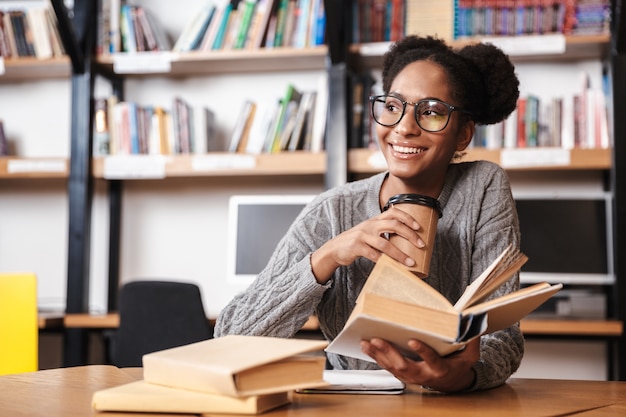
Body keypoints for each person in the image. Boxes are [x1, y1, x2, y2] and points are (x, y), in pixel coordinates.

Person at [215, 35, 522, 393]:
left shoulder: (482, 186)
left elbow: (504, 338)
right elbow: (230, 336)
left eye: (431, 111)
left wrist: (465, 377)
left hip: (451, 402)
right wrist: (327, 256)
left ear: (463, 135)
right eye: (393, 106)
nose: (405, 126)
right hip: (352, 398)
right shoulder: (333, 210)